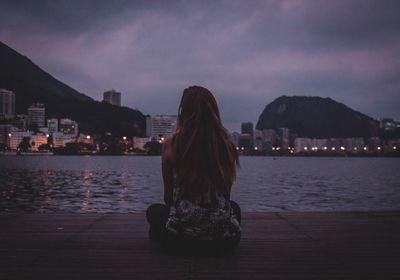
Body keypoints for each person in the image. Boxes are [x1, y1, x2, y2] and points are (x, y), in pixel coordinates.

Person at [146, 85, 241, 254]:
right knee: (234, 207)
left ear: (184, 112)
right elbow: (226, 195)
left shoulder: (171, 145)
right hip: (226, 241)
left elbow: (169, 199)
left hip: (180, 240)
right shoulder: (227, 146)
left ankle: (162, 236)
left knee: (154, 212)